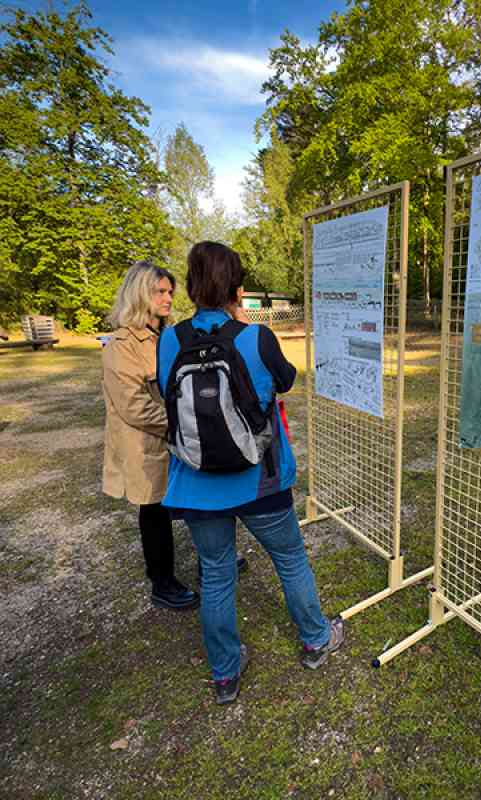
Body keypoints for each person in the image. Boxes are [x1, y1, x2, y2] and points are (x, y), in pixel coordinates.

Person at [157, 241, 343, 705]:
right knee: (290, 559)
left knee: (217, 574)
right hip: (260, 478)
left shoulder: (170, 339)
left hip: (197, 483)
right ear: (237, 287)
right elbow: (284, 380)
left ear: (193, 284)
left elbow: (165, 391)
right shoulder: (255, 338)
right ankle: (316, 639)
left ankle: (224, 673)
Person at [102, 262, 200, 610]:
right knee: (155, 510)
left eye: (170, 291)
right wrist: (181, 423)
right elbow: (133, 406)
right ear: (140, 293)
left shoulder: (169, 337)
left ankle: (211, 562)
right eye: (160, 291)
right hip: (147, 444)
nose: (168, 298)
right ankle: (162, 583)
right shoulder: (121, 345)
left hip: (177, 437)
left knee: (194, 499)